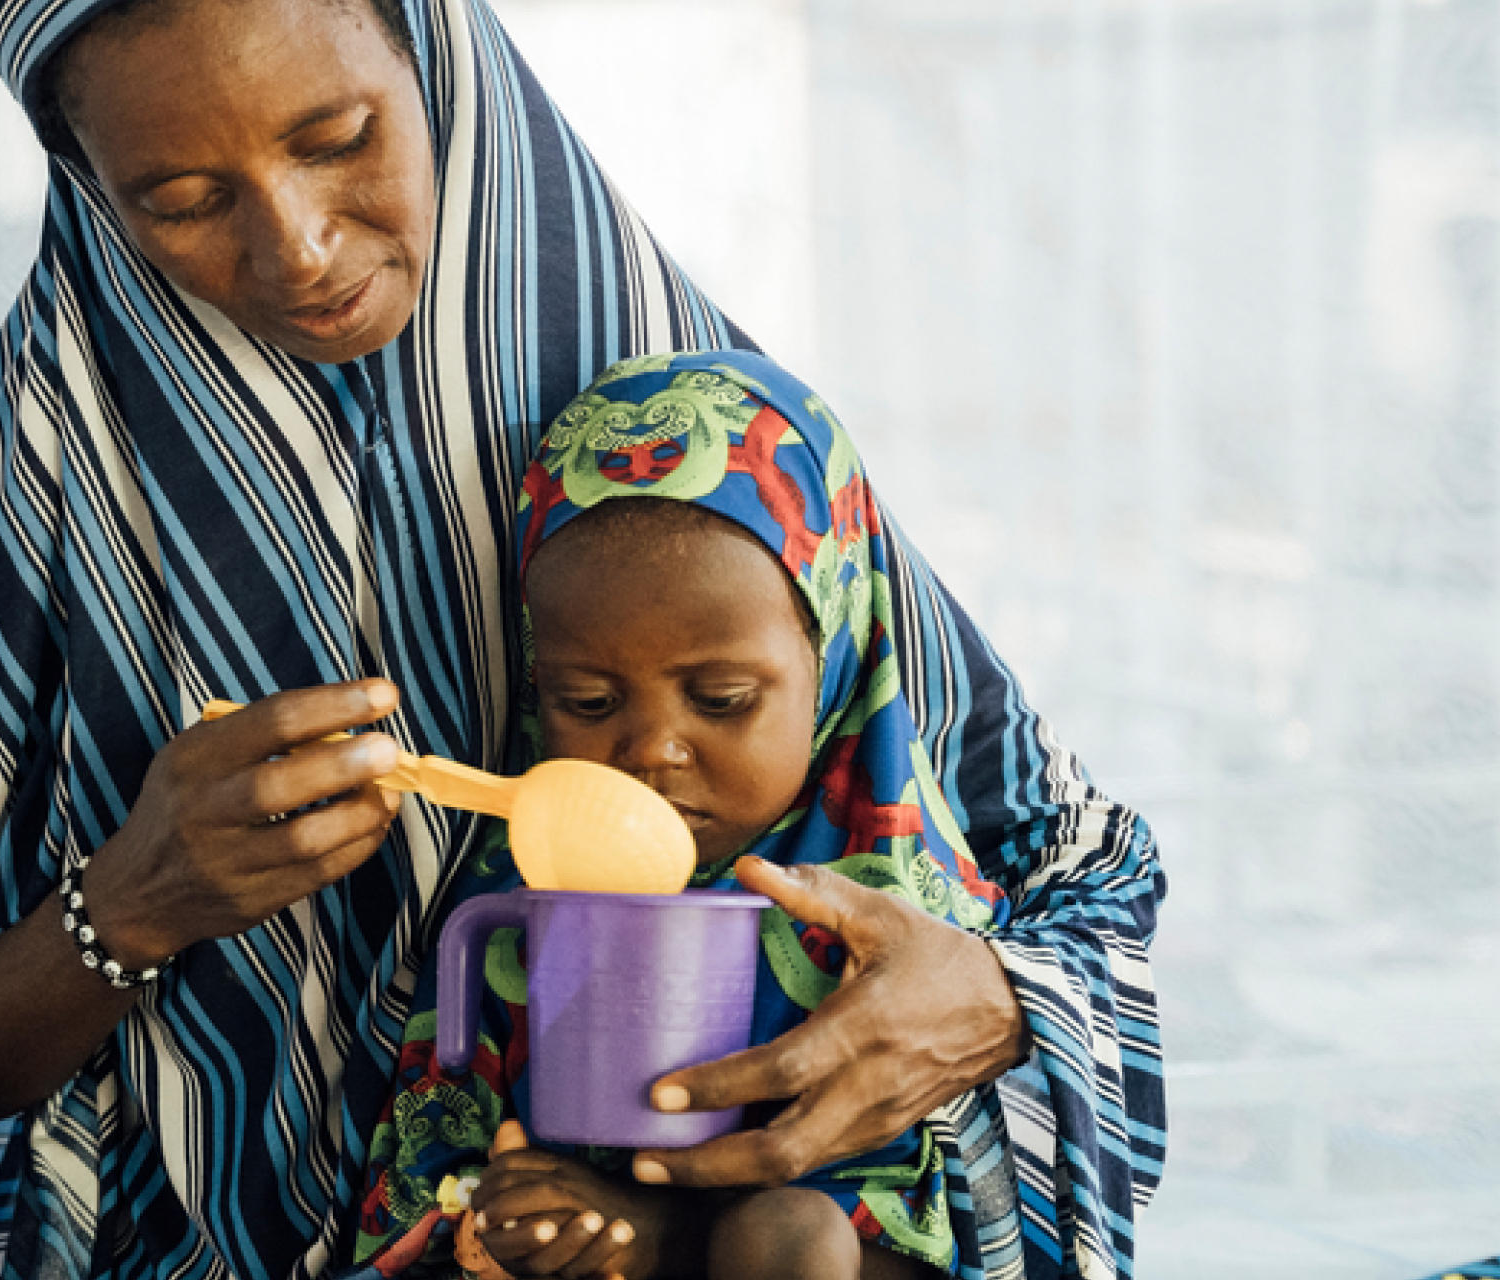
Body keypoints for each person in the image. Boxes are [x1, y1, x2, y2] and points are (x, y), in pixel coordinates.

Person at [0, 0, 1167, 1276]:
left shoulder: (701, 437)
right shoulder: (36, 501)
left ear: (435, 64)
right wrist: (133, 908)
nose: (300, 247)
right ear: (92, 189)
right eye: (184, 200)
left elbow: (1076, 881)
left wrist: (982, 997)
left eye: (339, 139)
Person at [354, 350, 1011, 1280]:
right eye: (587, 702)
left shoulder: (909, 915)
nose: (653, 749)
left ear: (834, 662)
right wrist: (498, 1219)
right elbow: (446, 1162)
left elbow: (970, 1210)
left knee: (790, 1236)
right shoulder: (517, 886)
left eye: (723, 697)